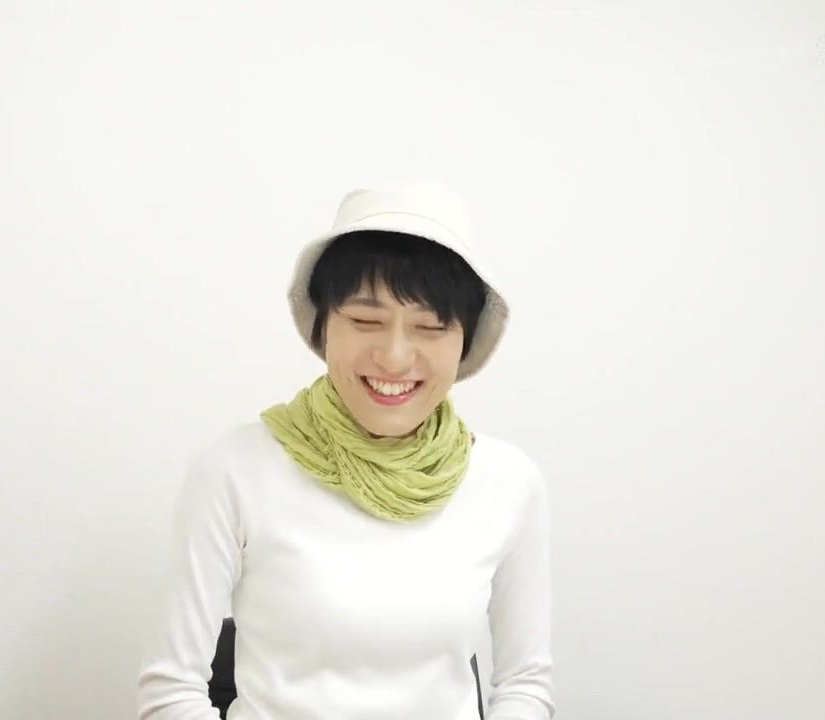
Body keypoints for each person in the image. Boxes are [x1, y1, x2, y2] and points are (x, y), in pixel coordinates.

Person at [136, 181, 555, 719]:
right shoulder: (236, 470)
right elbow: (171, 691)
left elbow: (524, 683)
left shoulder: (508, 482)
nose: (395, 357)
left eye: (430, 327)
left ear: (464, 342)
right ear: (323, 325)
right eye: (365, 320)